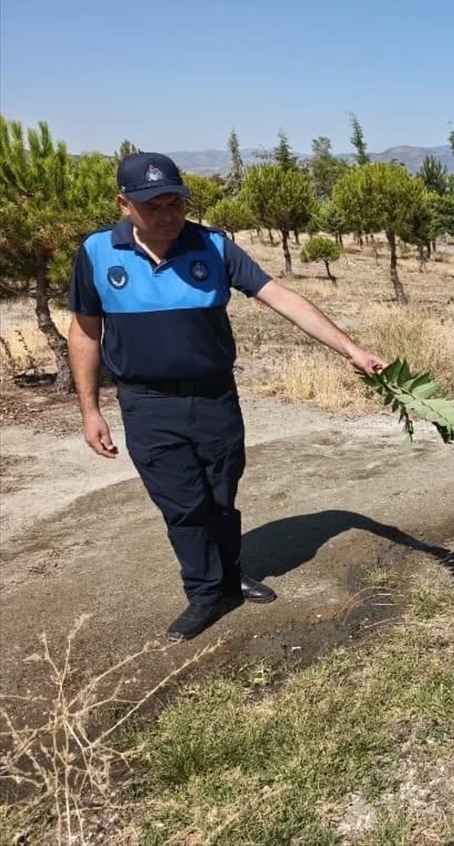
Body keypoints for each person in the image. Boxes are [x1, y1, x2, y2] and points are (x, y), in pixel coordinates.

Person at [67, 152, 387, 641]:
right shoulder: (96, 253)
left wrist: (351, 349)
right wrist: (90, 410)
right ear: (124, 204)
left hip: (215, 398)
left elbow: (283, 298)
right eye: (154, 206)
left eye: (177, 203)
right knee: (182, 504)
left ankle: (230, 575)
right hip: (147, 403)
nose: (169, 214)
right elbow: (86, 332)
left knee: (221, 495)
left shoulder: (213, 246)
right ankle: (204, 594)